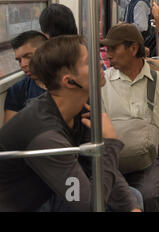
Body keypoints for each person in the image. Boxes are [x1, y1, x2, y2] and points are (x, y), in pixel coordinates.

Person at [0, 35, 142, 211]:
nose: (99, 63)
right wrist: (110, 143)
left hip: (48, 190)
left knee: (133, 197)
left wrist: (131, 207)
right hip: (25, 205)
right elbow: (89, 207)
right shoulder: (45, 137)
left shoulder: (79, 110)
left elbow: (95, 165)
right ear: (69, 81)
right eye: (88, 62)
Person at [100, 24, 159, 212]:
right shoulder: (102, 82)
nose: (108, 54)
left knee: (149, 195)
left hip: (146, 163)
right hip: (110, 164)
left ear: (133, 49)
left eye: (113, 48)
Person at [3, 31, 47, 123]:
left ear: (47, 52)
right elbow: (9, 132)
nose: (23, 65)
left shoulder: (66, 82)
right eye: (19, 60)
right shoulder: (18, 90)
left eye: (29, 57)